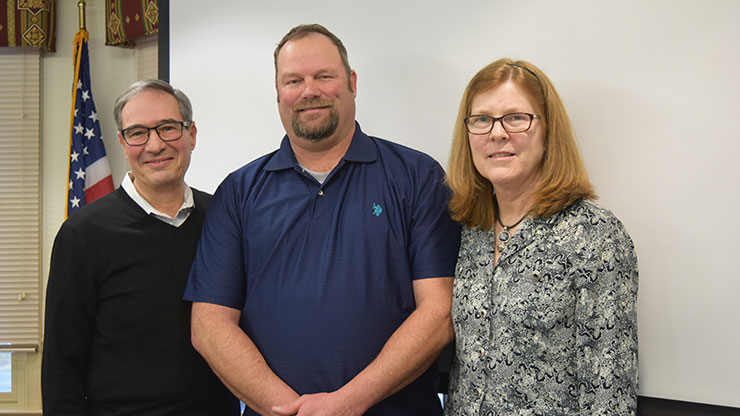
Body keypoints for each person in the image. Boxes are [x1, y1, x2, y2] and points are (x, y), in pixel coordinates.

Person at [184, 24, 461, 416]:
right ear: (278, 93)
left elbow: (438, 312)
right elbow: (210, 326)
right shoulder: (239, 191)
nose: (308, 90)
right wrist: (293, 410)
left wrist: (346, 404)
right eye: (293, 80)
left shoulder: (417, 177)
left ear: (350, 82)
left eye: (323, 76)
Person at [443, 58, 639, 415]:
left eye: (516, 118)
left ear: (548, 131)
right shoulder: (470, 231)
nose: (497, 133)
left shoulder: (594, 236)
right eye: (482, 120)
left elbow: (609, 388)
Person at [41, 80, 239, 415]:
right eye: (137, 133)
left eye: (167, 128)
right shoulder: (82, 235)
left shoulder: (223, 219)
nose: (155, 144)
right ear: (122, 141)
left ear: (191, 134)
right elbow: (62, 366)